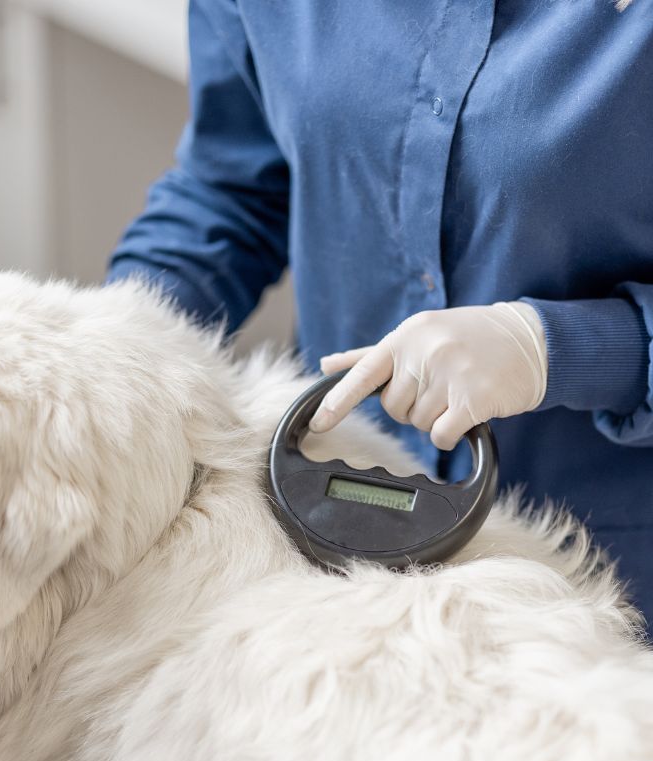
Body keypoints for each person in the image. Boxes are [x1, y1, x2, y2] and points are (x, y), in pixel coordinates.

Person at [107, 0, 653, 623]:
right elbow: (233, 189)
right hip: (326, 539)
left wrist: (559, 350)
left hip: (613, 580)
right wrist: (117, 338)